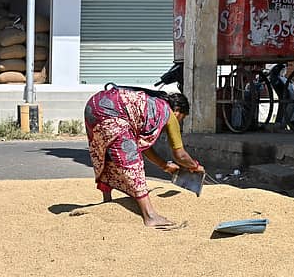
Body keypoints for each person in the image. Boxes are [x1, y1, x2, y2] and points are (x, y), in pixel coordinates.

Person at [84, 85, 205, 227]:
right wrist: (195, 166)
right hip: (112, 112)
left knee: (107, 155)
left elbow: (142, 146)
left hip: (94, 106)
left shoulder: (151, 106)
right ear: (177, 111)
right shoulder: (168, 113)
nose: (179, 122)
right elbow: (180, 155)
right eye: (182, 118)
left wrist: (164, 165)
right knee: (132, 164)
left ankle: (107, 201)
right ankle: (150, 215)